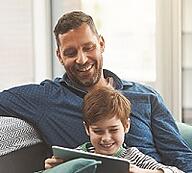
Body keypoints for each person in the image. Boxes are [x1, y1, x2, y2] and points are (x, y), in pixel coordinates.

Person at [0, 11, 191, 172]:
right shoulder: (45, 99)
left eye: (88, 48)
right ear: (59, 56)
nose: (82, 59)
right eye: (70, 52)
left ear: (101, 44)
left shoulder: (146, 97)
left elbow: (182, 159)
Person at [44, 86, 183, 173]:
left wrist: (143, 172)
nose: (106, 138)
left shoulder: (134, 157)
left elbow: (176, 171)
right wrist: (52, 170)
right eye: (98, 131)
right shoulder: (76, 155)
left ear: (126, 126)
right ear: (87, 129)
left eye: (113, 130)